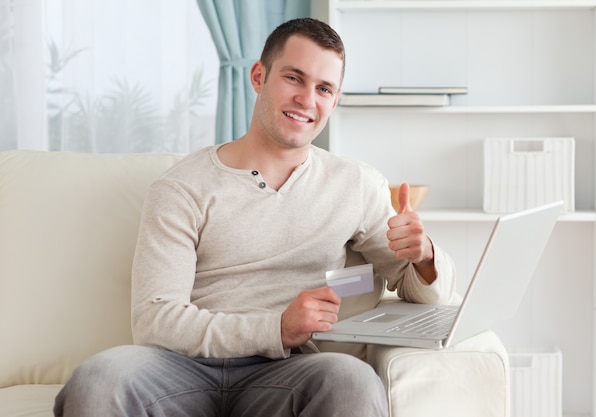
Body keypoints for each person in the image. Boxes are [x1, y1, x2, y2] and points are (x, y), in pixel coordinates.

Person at [54, 17, 455, 417]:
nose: (306, 99)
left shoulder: (354, 184)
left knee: (351, 380)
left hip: (290, 372)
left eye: (324, 88)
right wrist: (276, 328)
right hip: (181, 369)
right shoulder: (181, 188)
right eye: (294, 78)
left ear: (334, 100)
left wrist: (424, 256)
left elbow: (417, 289)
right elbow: (155, 319)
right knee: (97, 379)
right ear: (259, 76)